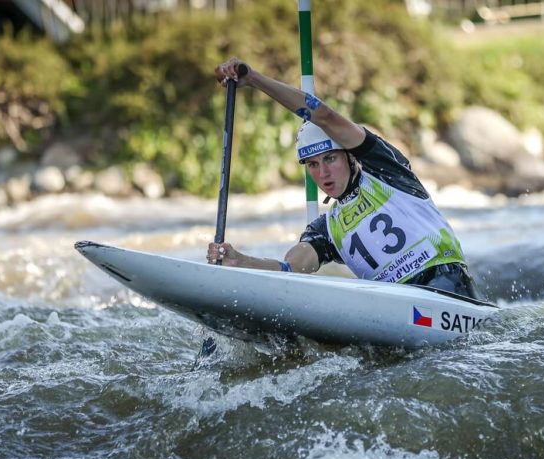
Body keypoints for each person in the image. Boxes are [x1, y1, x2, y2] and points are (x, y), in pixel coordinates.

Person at [206, 57, 480, 300]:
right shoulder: (328, 227)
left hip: (445, 285)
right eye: (312, 164)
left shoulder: (385, 170)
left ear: (349, 156)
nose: (322, 173)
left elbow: (325, 117)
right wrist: (240, 261)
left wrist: (254, 79)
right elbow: (290, 269)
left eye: (330, 159)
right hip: (397, 305)